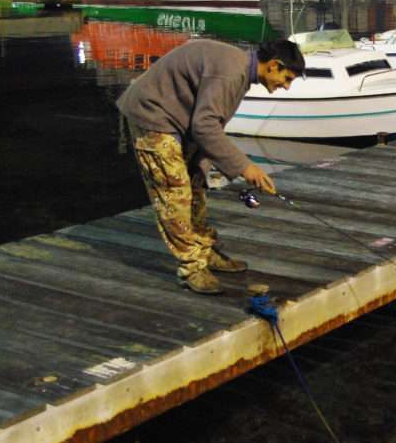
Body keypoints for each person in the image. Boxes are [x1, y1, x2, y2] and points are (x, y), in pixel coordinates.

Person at [117, 39, 305, 295]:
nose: (286, 86)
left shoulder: (238, 71)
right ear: (273, 65)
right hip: (152, 116)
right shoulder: (231, 72)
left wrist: (201, 168)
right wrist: (246, 167)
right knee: (175, 195)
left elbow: (209, 124)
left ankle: (205, 251)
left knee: (196, 187)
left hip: (179, 121)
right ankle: (191, 268)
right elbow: (204, 127)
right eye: (287, 78)